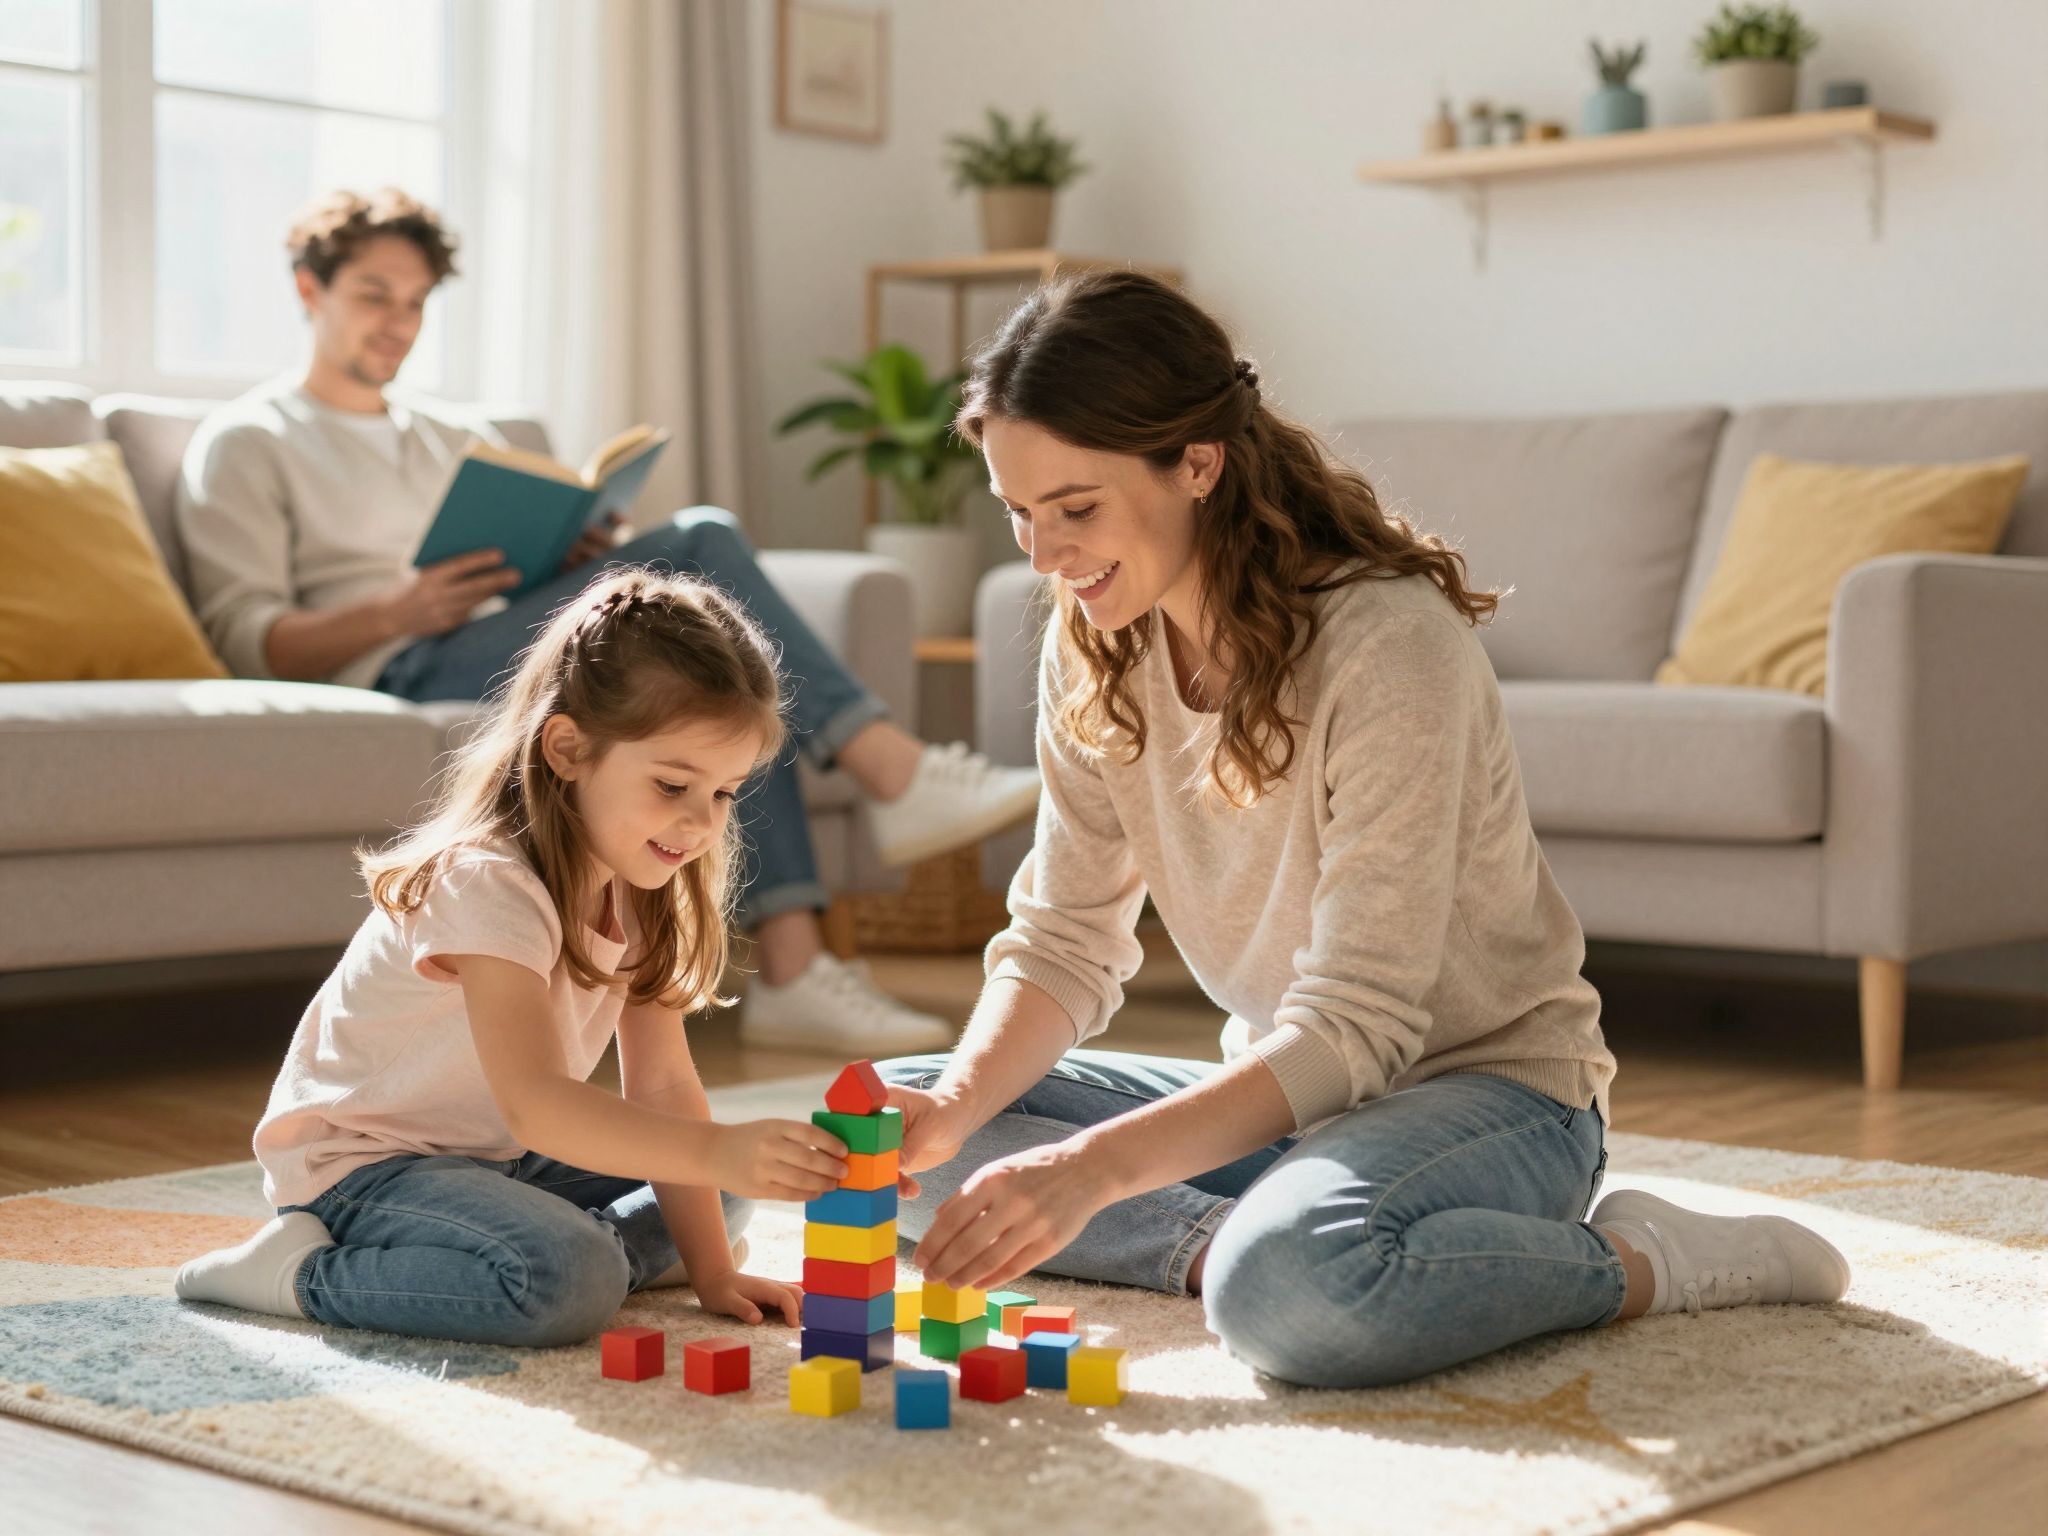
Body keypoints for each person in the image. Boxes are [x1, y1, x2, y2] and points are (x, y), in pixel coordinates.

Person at [875, 271, 1852, 1390]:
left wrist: (1093, 1172)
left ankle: (1639, 1258)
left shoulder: (1386, 645)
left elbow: (1360, 1025)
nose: (1042, 557)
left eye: (1076, 508)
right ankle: (1218, 1248)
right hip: (1290, 1108)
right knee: (890, 1126)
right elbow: (1061, 942)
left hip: (1489, 1099)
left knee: (1289, 1289)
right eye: (1019, 511)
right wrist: (953, 1109)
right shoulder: (1094, 644)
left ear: (1196, 463)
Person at [174, 187, 1037, 1054]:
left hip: (492, 630)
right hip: (396, 659)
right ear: (308, 290)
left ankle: (797, 968)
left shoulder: (452, 435)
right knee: (700, 539)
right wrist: (395, 611)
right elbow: (249, 636)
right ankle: (889, 775)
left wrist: (573, 553)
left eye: (415, 302)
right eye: (372, 295)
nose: (397, 322)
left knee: (705, 678)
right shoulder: (249, 440)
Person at [173, 568, 856, 1344]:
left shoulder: (641, 878)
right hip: (362, 1163)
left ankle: (558, 1251)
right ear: (568, 748)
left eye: (725, 793)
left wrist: (714, 1271)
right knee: (569, 1276)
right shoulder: (487, 881)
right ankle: (296, 1273)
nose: (700, 823)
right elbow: (535, 1101)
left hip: (496, 1156)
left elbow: (663, 1084)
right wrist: (715, 1151)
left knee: (719, 1197)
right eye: (673, 785)